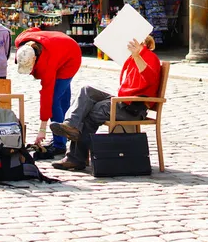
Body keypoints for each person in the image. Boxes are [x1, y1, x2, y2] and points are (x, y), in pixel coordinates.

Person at [51, 36, 161, 171]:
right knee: (87, 91)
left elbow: (149, 78)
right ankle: (70, 125)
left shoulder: (149, 57)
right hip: (123, 102)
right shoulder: (132, 58)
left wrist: (137, 56)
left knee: (93, 111)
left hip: (133, 108)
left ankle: (75, 158)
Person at [14, 28, 82, 154]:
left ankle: (59, 144)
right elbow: (33, 29)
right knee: (61, 98)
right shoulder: (20, 41)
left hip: (71, 56)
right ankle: (64, 134)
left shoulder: (47, 63)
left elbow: (47, 97)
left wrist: (42, 129)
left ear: (35, 59)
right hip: (60, 46)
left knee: (55, 100)